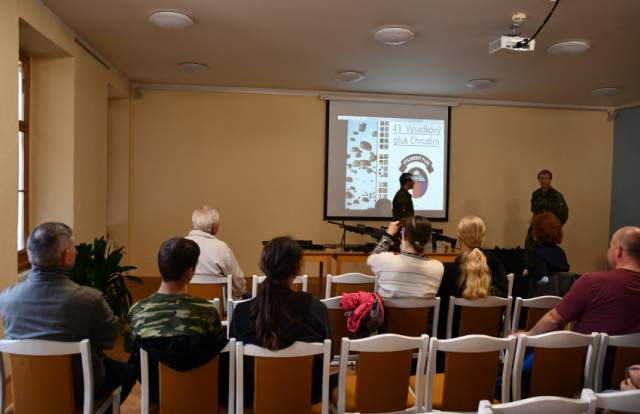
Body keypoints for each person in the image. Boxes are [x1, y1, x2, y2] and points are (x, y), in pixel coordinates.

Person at [0, 222, 136, 405]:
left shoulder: (7, 298)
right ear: (66, 256)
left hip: (27, 388)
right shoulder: (88, 299)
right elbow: (108, 339)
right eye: (73, 247)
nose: (76, 251)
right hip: (79, 389)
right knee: (128, 371)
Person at [229, 236, 332, 406]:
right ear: (297, 269)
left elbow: (233, 362)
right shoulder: (317, 309)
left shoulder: (241, 312)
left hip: (253, 397)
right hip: (306, 395)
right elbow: (328, 356)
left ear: (263, 266)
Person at [124, 237, 227, 401]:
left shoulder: (137, 311)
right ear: (190, 272)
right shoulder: (207, 311)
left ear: (160, 267)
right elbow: (216, 349)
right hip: (200, 390)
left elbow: (130, 349)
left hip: (156, 392)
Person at [527, 226, 640, 337]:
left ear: (619, 251)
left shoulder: (593, 282)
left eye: (610, 246)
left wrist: (528, 336)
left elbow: (553, 320)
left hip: (586, 349)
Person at [436, 216, 508, 338]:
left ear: (459, 237)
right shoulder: (498, 268)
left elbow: (442, 314)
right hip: (490, 341)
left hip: (454, 342)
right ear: (483, 238)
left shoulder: (449, 272)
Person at [367, 216, 444, 298]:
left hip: (387, 307)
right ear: (429, 239)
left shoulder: (386, 261)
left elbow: (372, 258)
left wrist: (389, 234)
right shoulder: (438, 267)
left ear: (403, 235)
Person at [186, 206, 246, 299]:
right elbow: (238, 283)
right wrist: (239, 294)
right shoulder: (221, 248)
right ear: (214, 227)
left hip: (187, 304)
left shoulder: (179, 246)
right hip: (218, 306)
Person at [524, 170, 569, 266]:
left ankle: (544, 271)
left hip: (548, 230)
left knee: (546, 253)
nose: (543, 181)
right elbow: (534, 210)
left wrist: (554, 228)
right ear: (538, 180)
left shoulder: (556, 195)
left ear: (550, 180)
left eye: (546, 178)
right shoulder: (536, 194)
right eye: (541, 178)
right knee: (529, 248)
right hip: (536, 228)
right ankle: (529, 269)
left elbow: (563, 214)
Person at [525, 212, 570, 285]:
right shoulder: (561, 252)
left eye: (534, 229)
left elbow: (543, 279)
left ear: (539, 232)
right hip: (563, 291)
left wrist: (530, 273)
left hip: (547, 291)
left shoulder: (539, 253)